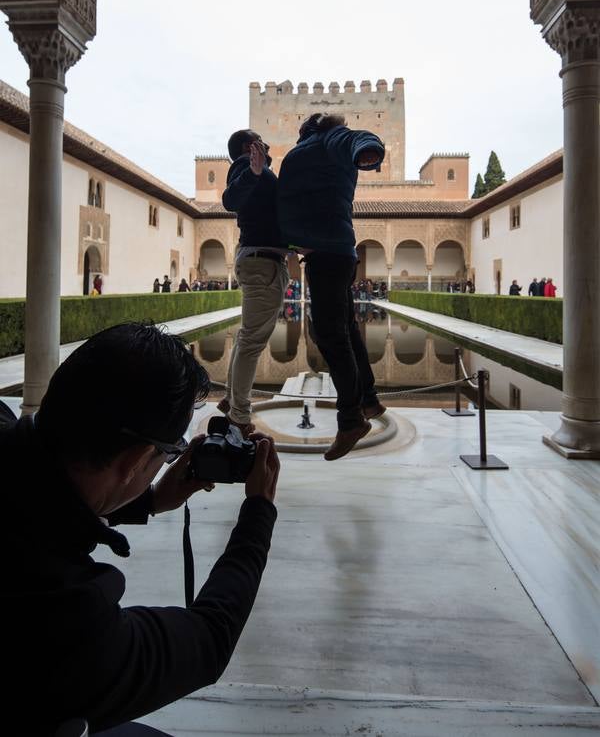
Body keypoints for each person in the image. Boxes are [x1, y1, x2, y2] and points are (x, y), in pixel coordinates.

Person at [0, 323, 279, 736]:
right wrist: (258, 511)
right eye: (168, 452)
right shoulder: (65, 618)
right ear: (134, 460)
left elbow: (39, 498)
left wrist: (148, 499)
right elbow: (209, 639)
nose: (169, 459)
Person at [278, 112, 386, 461]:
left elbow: (357, 137)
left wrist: (368, 149)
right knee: (347, 331)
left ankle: (351, 418)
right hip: (337, 251)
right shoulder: (322, 147)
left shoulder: (327, 140)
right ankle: (367, 400)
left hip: (326, 252)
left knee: (327, 334)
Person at [219, 129, 289, 436]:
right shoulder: (247, 165)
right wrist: (253, 171)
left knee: (246, 339)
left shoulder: (257, 168)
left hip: (260, 259)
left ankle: (230, 399)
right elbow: (230, 200)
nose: (267, 143)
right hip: (262, 263)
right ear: (249, 146)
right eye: (259, 139)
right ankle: (239, 416)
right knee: (251, 342)